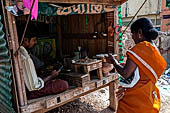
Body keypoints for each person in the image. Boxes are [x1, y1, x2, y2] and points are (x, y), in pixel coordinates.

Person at [106, 18, 167, 113]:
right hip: (148, 98)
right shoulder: (154, 49)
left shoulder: (138, 49)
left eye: (132, 34)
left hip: (135, 101)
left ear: (139, 32)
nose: (132, 37)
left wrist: (114, 62)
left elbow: (125, 73)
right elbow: (143, 72)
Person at [22, 34, 69, 99]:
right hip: (32, 90)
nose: (35, 42)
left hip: (30, 84)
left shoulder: (23, 53)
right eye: (34, 40)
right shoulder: (26, 59)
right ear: (25, 40)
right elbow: (34, 86)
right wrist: (51, 76)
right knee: (63, 84)